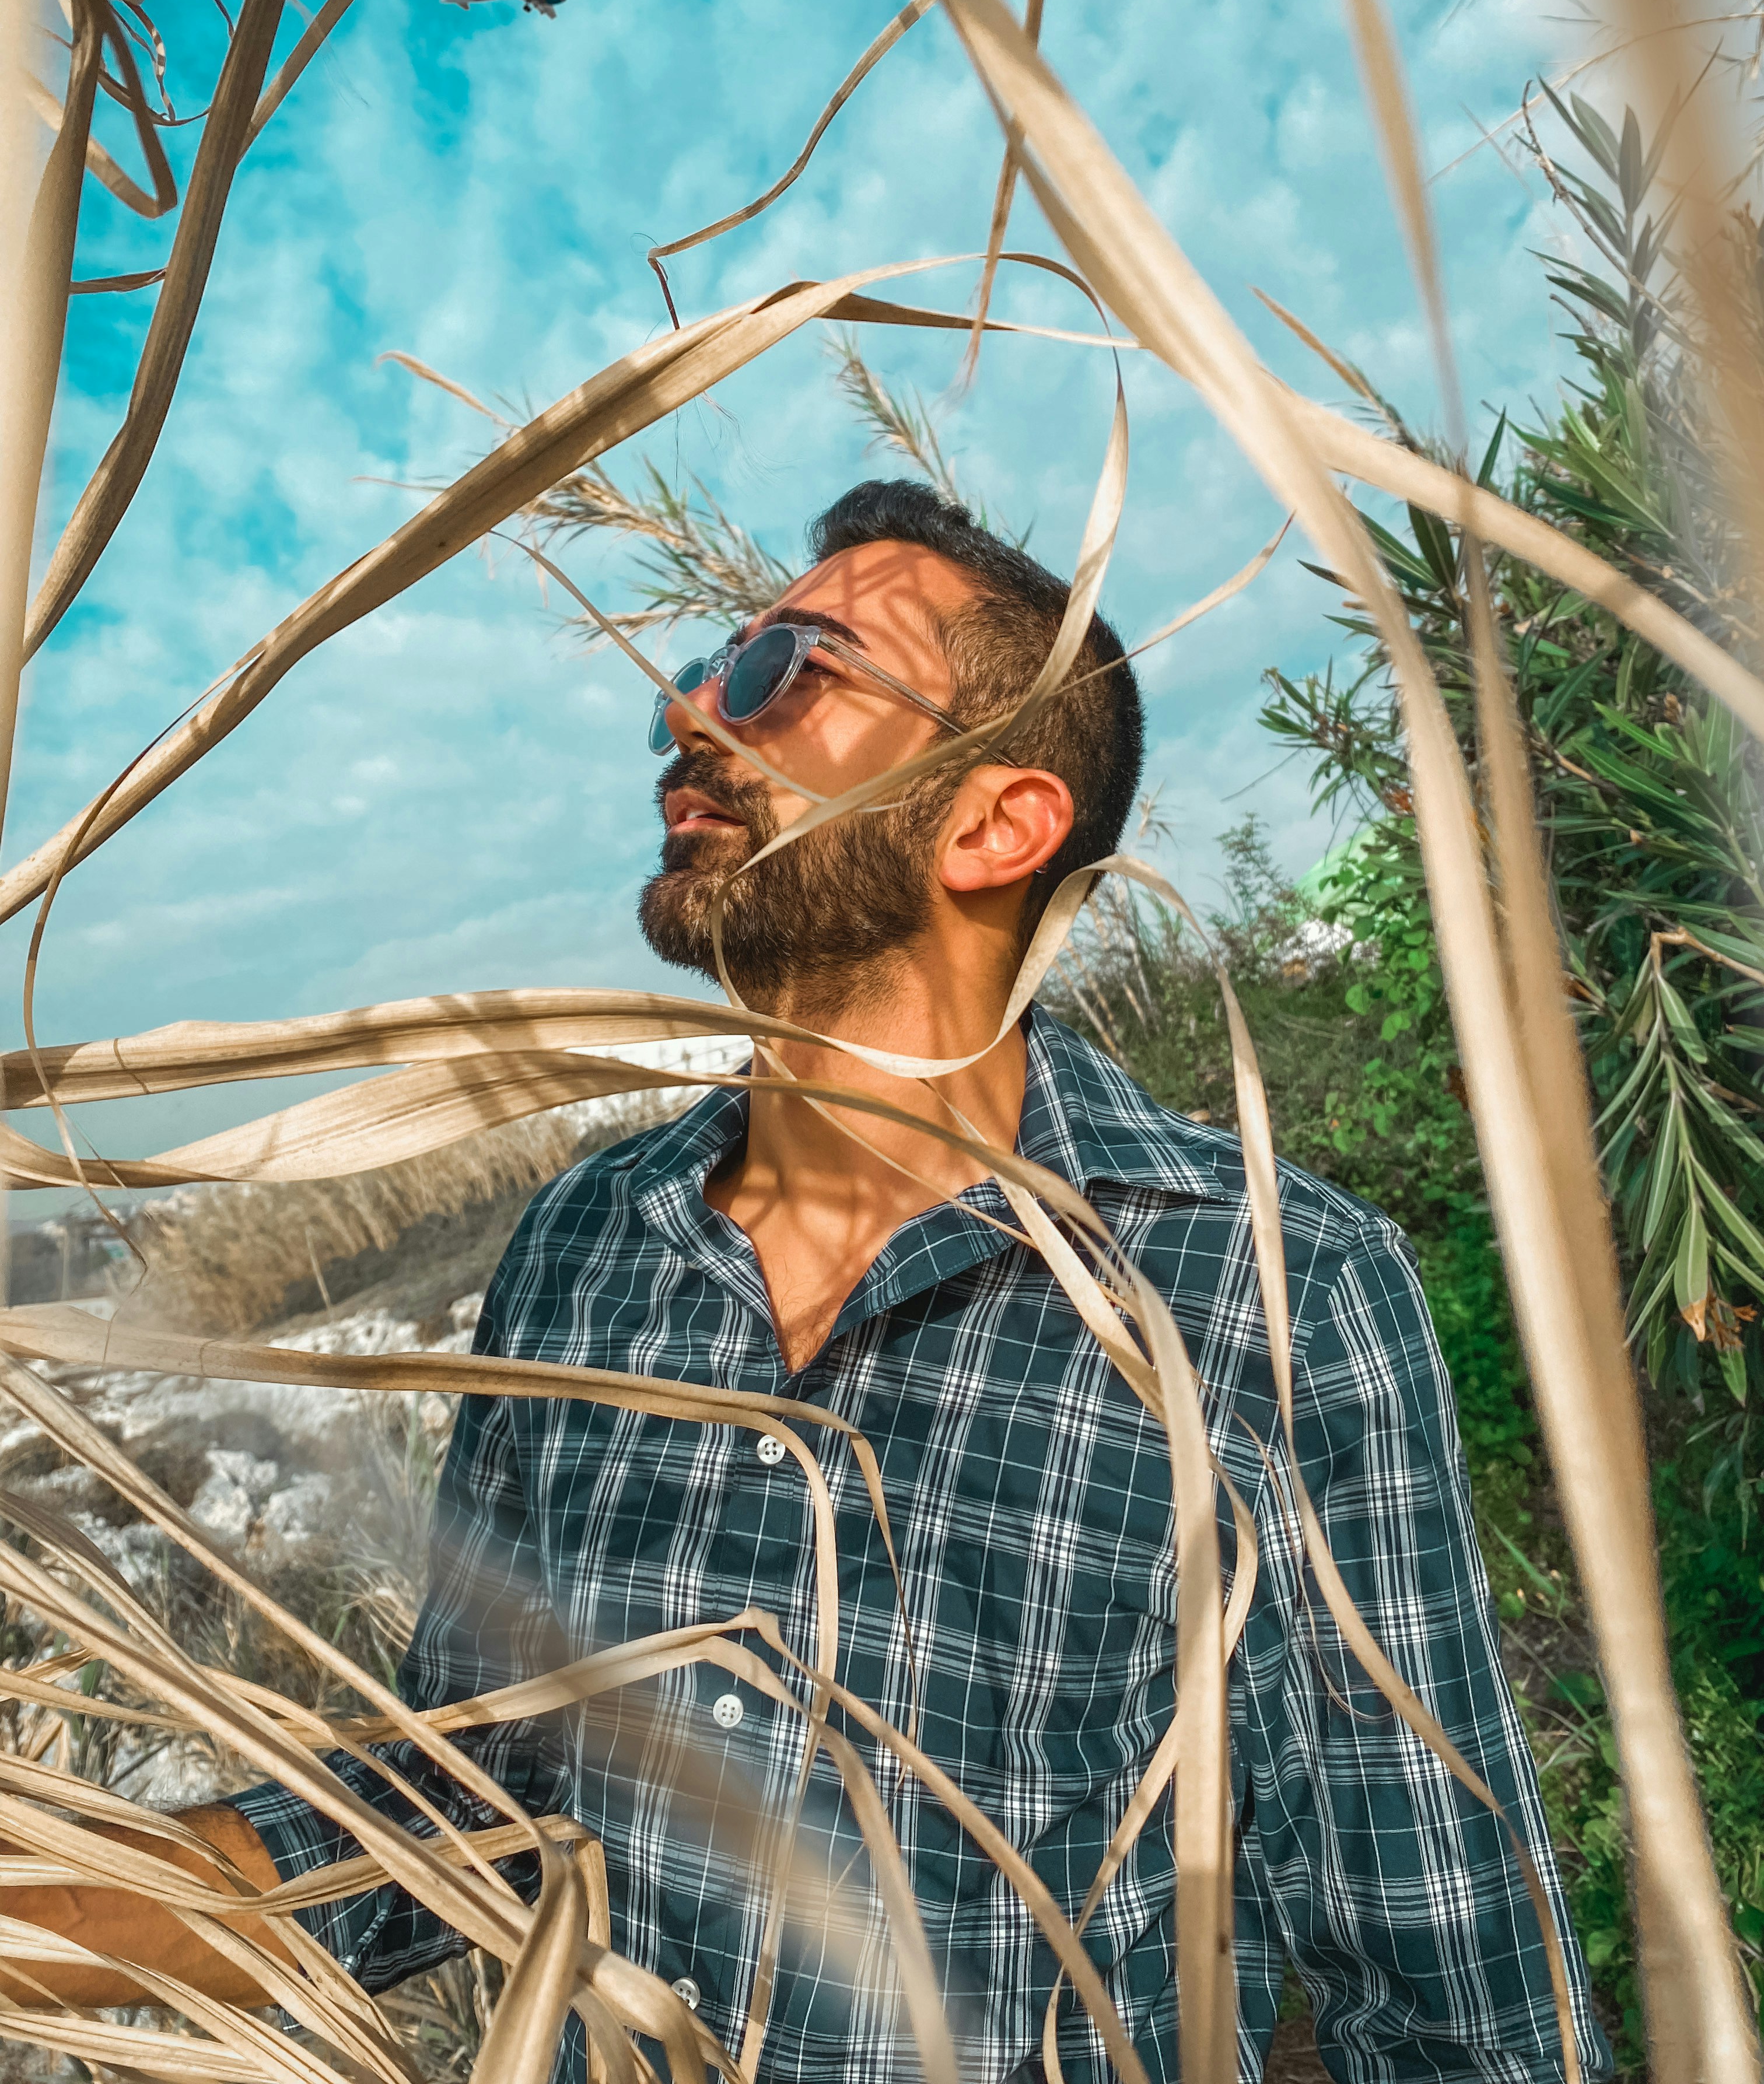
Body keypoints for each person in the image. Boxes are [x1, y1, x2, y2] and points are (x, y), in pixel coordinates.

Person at [3, 481, 1609, 2084]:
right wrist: (70, 1914)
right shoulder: (587, 1246)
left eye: (791, 669)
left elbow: (1455, 1979)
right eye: (715, 661)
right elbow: (468, 1802)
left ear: (996, 822)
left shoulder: (1267, 1285)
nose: (686, 708)